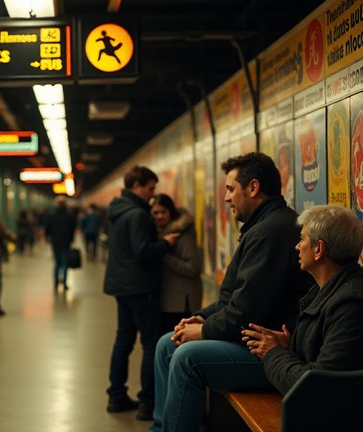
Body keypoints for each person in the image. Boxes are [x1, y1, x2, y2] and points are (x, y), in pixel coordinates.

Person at [150, 152, 314, 432]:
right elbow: (231, 300)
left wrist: (202, 332)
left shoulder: (270, 232)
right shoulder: (262, 227)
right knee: (168, 343)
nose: (226, 198)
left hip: (271, 351)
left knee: (187, 358)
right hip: (248, 339)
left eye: (230, 189)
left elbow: (246, 313)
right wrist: (200, 319)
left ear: (253, 188)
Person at [243, 205, 363, 394]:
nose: (297, 246)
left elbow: (318, 385)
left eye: (302, 239)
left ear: (319, 249)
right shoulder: (326, 290)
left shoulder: (350, 305)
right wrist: (291, 346)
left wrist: (273, 353)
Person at [104, 166, 178, 420]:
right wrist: (166, 243)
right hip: (139, 286)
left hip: (120, 285)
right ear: (136, 185)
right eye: (150, 188)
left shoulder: (117, 210)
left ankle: (116, 395)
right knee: (149, 343)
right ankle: (147, 401)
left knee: (123, 340)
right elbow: (143, 251)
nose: (152, 193)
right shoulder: (138, 214)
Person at [150, 194, 203, 332]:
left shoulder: (183, 234)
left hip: (180, 303)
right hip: (166, 301)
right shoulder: (157, 234)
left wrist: (164, 255)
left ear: (171, 213)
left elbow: (193, 268)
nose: (159, 216)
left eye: (163, 212)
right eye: (155, 213)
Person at [45, 196, 77, 291]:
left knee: (57, 263)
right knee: (65, 263)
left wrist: (48, 237)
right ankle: (64, 283)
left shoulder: (51, 215)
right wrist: (71, 239)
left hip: (55, 242)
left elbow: (47, 228)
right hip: (66, 242)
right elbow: (73, 228)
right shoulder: (69, 215)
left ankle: (55, 282)